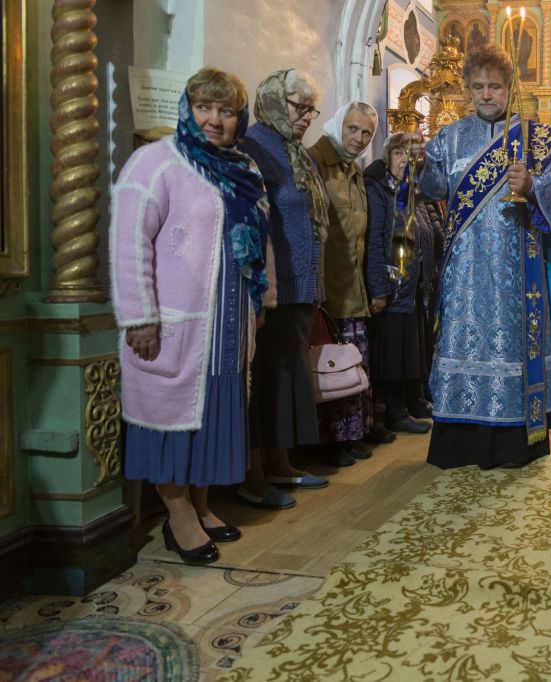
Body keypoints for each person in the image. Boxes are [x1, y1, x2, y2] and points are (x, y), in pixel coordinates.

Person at [111, 67, 272, 563]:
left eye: (226, 111)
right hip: (175, 323)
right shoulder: (156, 162)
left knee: (212, 414)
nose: (214, 120)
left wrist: (260, 302)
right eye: (204, 107)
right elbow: (129, 241)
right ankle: (177, 513)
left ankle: (201, 505)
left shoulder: (244, 169)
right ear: (188, 107)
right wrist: (139, 316)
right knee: (170, 418)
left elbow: (260, 243)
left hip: (227, 323)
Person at [416, 44, 551, 469]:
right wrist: (417, 162)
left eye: (495, 86)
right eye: (478, 86)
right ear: (467, 89)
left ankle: (513, 443)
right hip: (465, 272)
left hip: (516, 271)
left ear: (510, 88)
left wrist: (532, 186)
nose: (487, 94)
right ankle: (459, 442)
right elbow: (432, 190)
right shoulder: (449, 138)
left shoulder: (539, 139)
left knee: (513, 347)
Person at [239, 69, 331, 508]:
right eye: (300, 107)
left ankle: (280, 463)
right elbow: (258, 219)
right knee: (266, 381)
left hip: (301, 287)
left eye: (313, 110)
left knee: (286, 380)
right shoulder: (255, 145)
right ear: (276, 100)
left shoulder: (297, 151)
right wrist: (263, 288)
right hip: (274, 289)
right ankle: (252, 475)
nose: (308, 117)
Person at [307, 101, 394, 465]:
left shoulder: (353, 168)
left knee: (353, 363)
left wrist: (373, 284)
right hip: (328, 286)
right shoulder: (316, 161)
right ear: (338, 124)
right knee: (330, 367)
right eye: (353, 129)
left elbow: (363, 233)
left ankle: (352, 433)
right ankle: (330, 441)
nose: (359, 138)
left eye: (367, 133)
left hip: (352, 284)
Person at [365, 132, 436, 434]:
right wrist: (379, 287)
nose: (405, 159)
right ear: (387, 157)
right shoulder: (380, 191)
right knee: (394, 353)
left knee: (413, 349)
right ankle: (396, 411)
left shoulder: (412, 192)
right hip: (392, 287)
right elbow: (374, 242)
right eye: (398, 153)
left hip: (415, 286)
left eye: (411, 154)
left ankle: (414, 400)